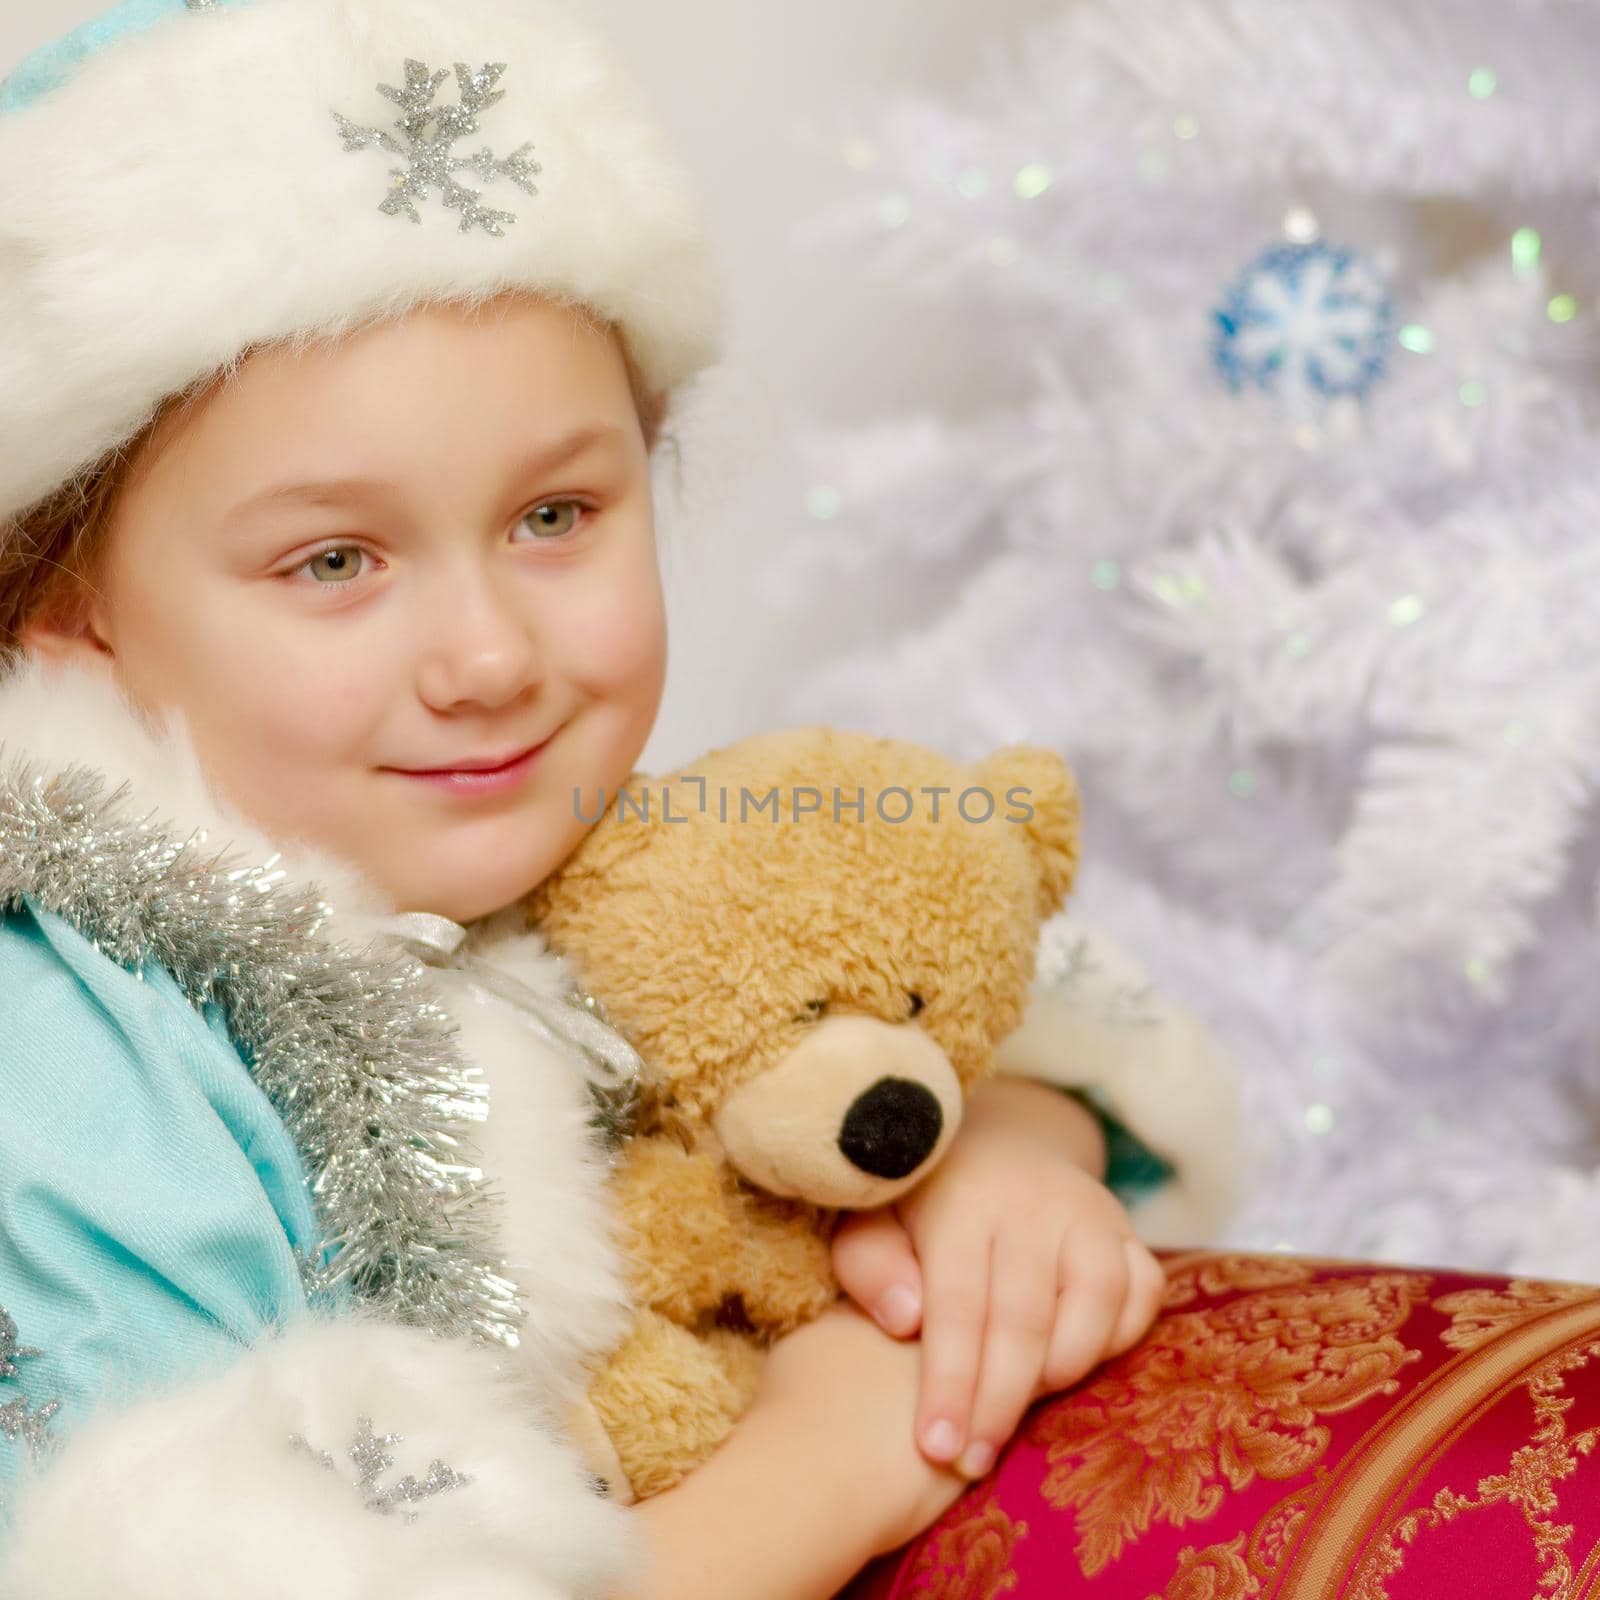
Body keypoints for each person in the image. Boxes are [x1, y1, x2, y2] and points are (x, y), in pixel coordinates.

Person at [0, 2, 1242, 1596]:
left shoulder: (595, 860)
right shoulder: (79, 1072)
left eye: (553, 514)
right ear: (66, 605)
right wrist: (836, 1452)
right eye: (333, 560)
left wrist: (1002, 1147)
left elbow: (838, 1016)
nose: (488, 656)